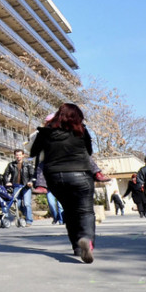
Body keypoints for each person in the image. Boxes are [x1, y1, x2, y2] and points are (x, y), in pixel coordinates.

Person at [30, 103, 97, 263]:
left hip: (55, 176)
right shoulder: (81, 130)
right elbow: (89, 151)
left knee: (69, 211)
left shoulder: (45, 132)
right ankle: (86, 240)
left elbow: (33, 152)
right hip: (81, 174)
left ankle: (77, 247)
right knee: (86, 212)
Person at [4, 149, 35, 227]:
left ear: (23, 155)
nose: (18, 156)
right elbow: (5, 175)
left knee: (27, 203)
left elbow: (32, 175)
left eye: (20, 155)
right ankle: (26, 214)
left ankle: (29, 221)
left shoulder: (28, 165)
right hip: (16, 186)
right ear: (15, 156)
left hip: (26, 186)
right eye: (17, 155)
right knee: (17, 205)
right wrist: (7, 182)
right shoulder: (11, 165)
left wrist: (30, 182)